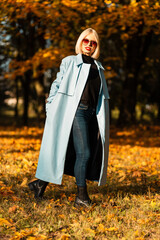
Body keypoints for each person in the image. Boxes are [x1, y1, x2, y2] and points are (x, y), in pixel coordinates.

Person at [28, 28, 110, 207]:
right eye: (86, 41)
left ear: (96, 46)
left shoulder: (99, 67)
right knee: (84, 153)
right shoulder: (70, 62)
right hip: (75, 111)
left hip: (92, 114)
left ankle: (39, 184)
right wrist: (50, 109)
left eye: (93, 42)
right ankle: (81, 197)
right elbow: (56, 85)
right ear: (80, 42)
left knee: (68, 151)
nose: (89, 45)